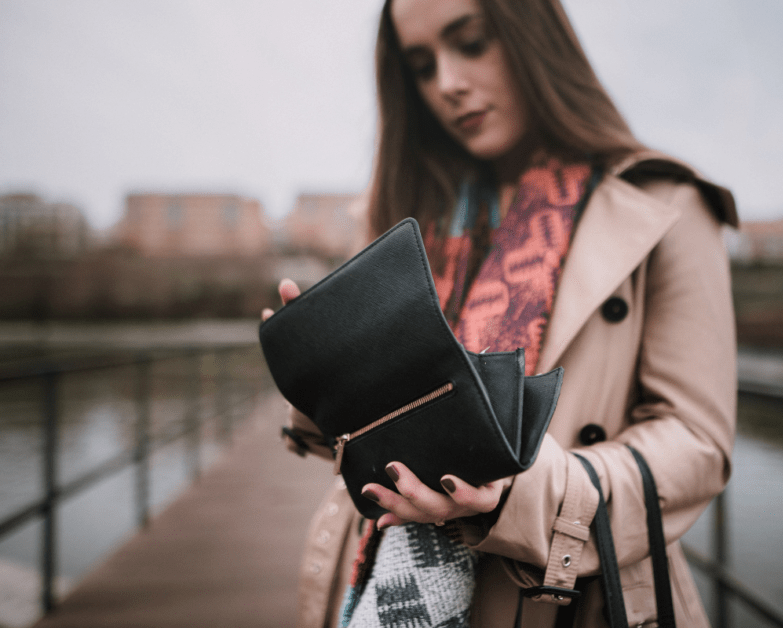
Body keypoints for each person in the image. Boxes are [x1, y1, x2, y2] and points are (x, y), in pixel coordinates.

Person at [262, 0, 738, 626]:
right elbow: (372, 441)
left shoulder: (664, 205)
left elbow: (697, 443)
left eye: (473, 42)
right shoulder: (410, 211)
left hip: (569, 600)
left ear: (534, 37)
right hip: (381, 581)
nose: (448, 84)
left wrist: (517, 491)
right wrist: (327, 379)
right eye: (422, 65)